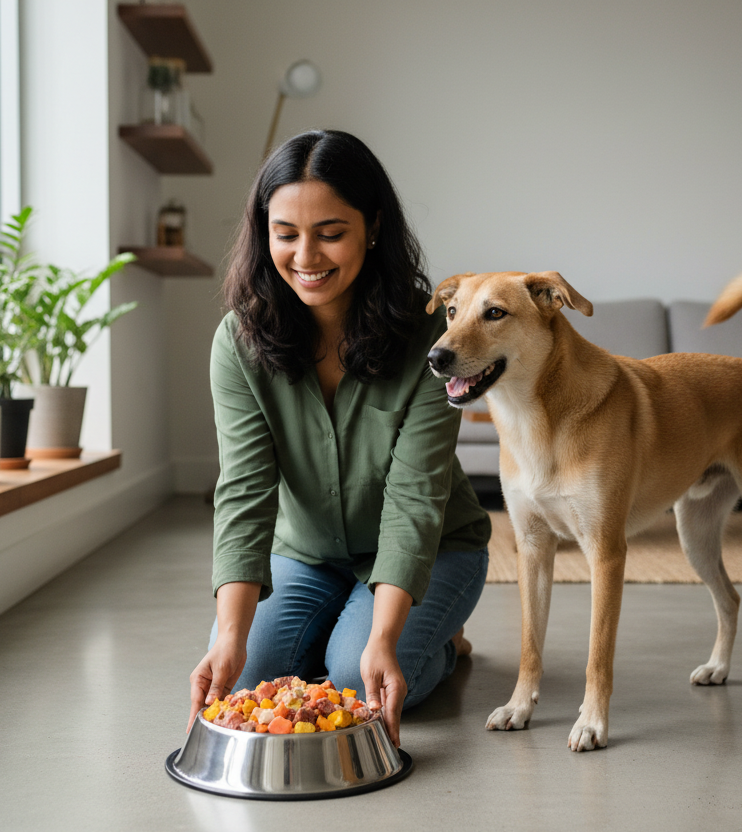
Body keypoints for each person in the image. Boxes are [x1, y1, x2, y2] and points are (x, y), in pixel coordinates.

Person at [187, 129, 491, 746]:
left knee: (357, 673)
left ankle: (443, 645)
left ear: (372, 227)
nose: (306, 256)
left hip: (435, 548)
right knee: (252, 672)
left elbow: (414, 497)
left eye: (330, 233)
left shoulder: (434, 334)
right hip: (305, 554)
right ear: (262, 230)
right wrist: (227, 636)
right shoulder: (237, 342)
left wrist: (382, 638)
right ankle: (359, 626)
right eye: (286, 234)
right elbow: (244, 491)